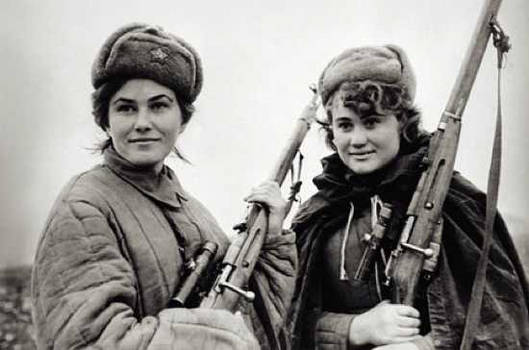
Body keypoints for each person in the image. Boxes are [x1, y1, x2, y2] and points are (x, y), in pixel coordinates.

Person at [31, 23, 297, 350]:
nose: (143, 123)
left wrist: (269, 240)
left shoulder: (195, 213)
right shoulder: (84, 207)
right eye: (126, 107)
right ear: (105, 118)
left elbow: (256, 320)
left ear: (182, 119)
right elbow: (86, 340)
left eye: (159, 106)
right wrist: (204, 336)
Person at [283, 45, 529, 349]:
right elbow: (283, 323)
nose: (357, 140)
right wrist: (353, 328)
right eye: (345, 125)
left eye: (372, 121)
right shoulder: (318, 214)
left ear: (402, 122)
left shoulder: (453, 203)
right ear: (330, 130)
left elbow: (503, 322)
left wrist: (425, 346)